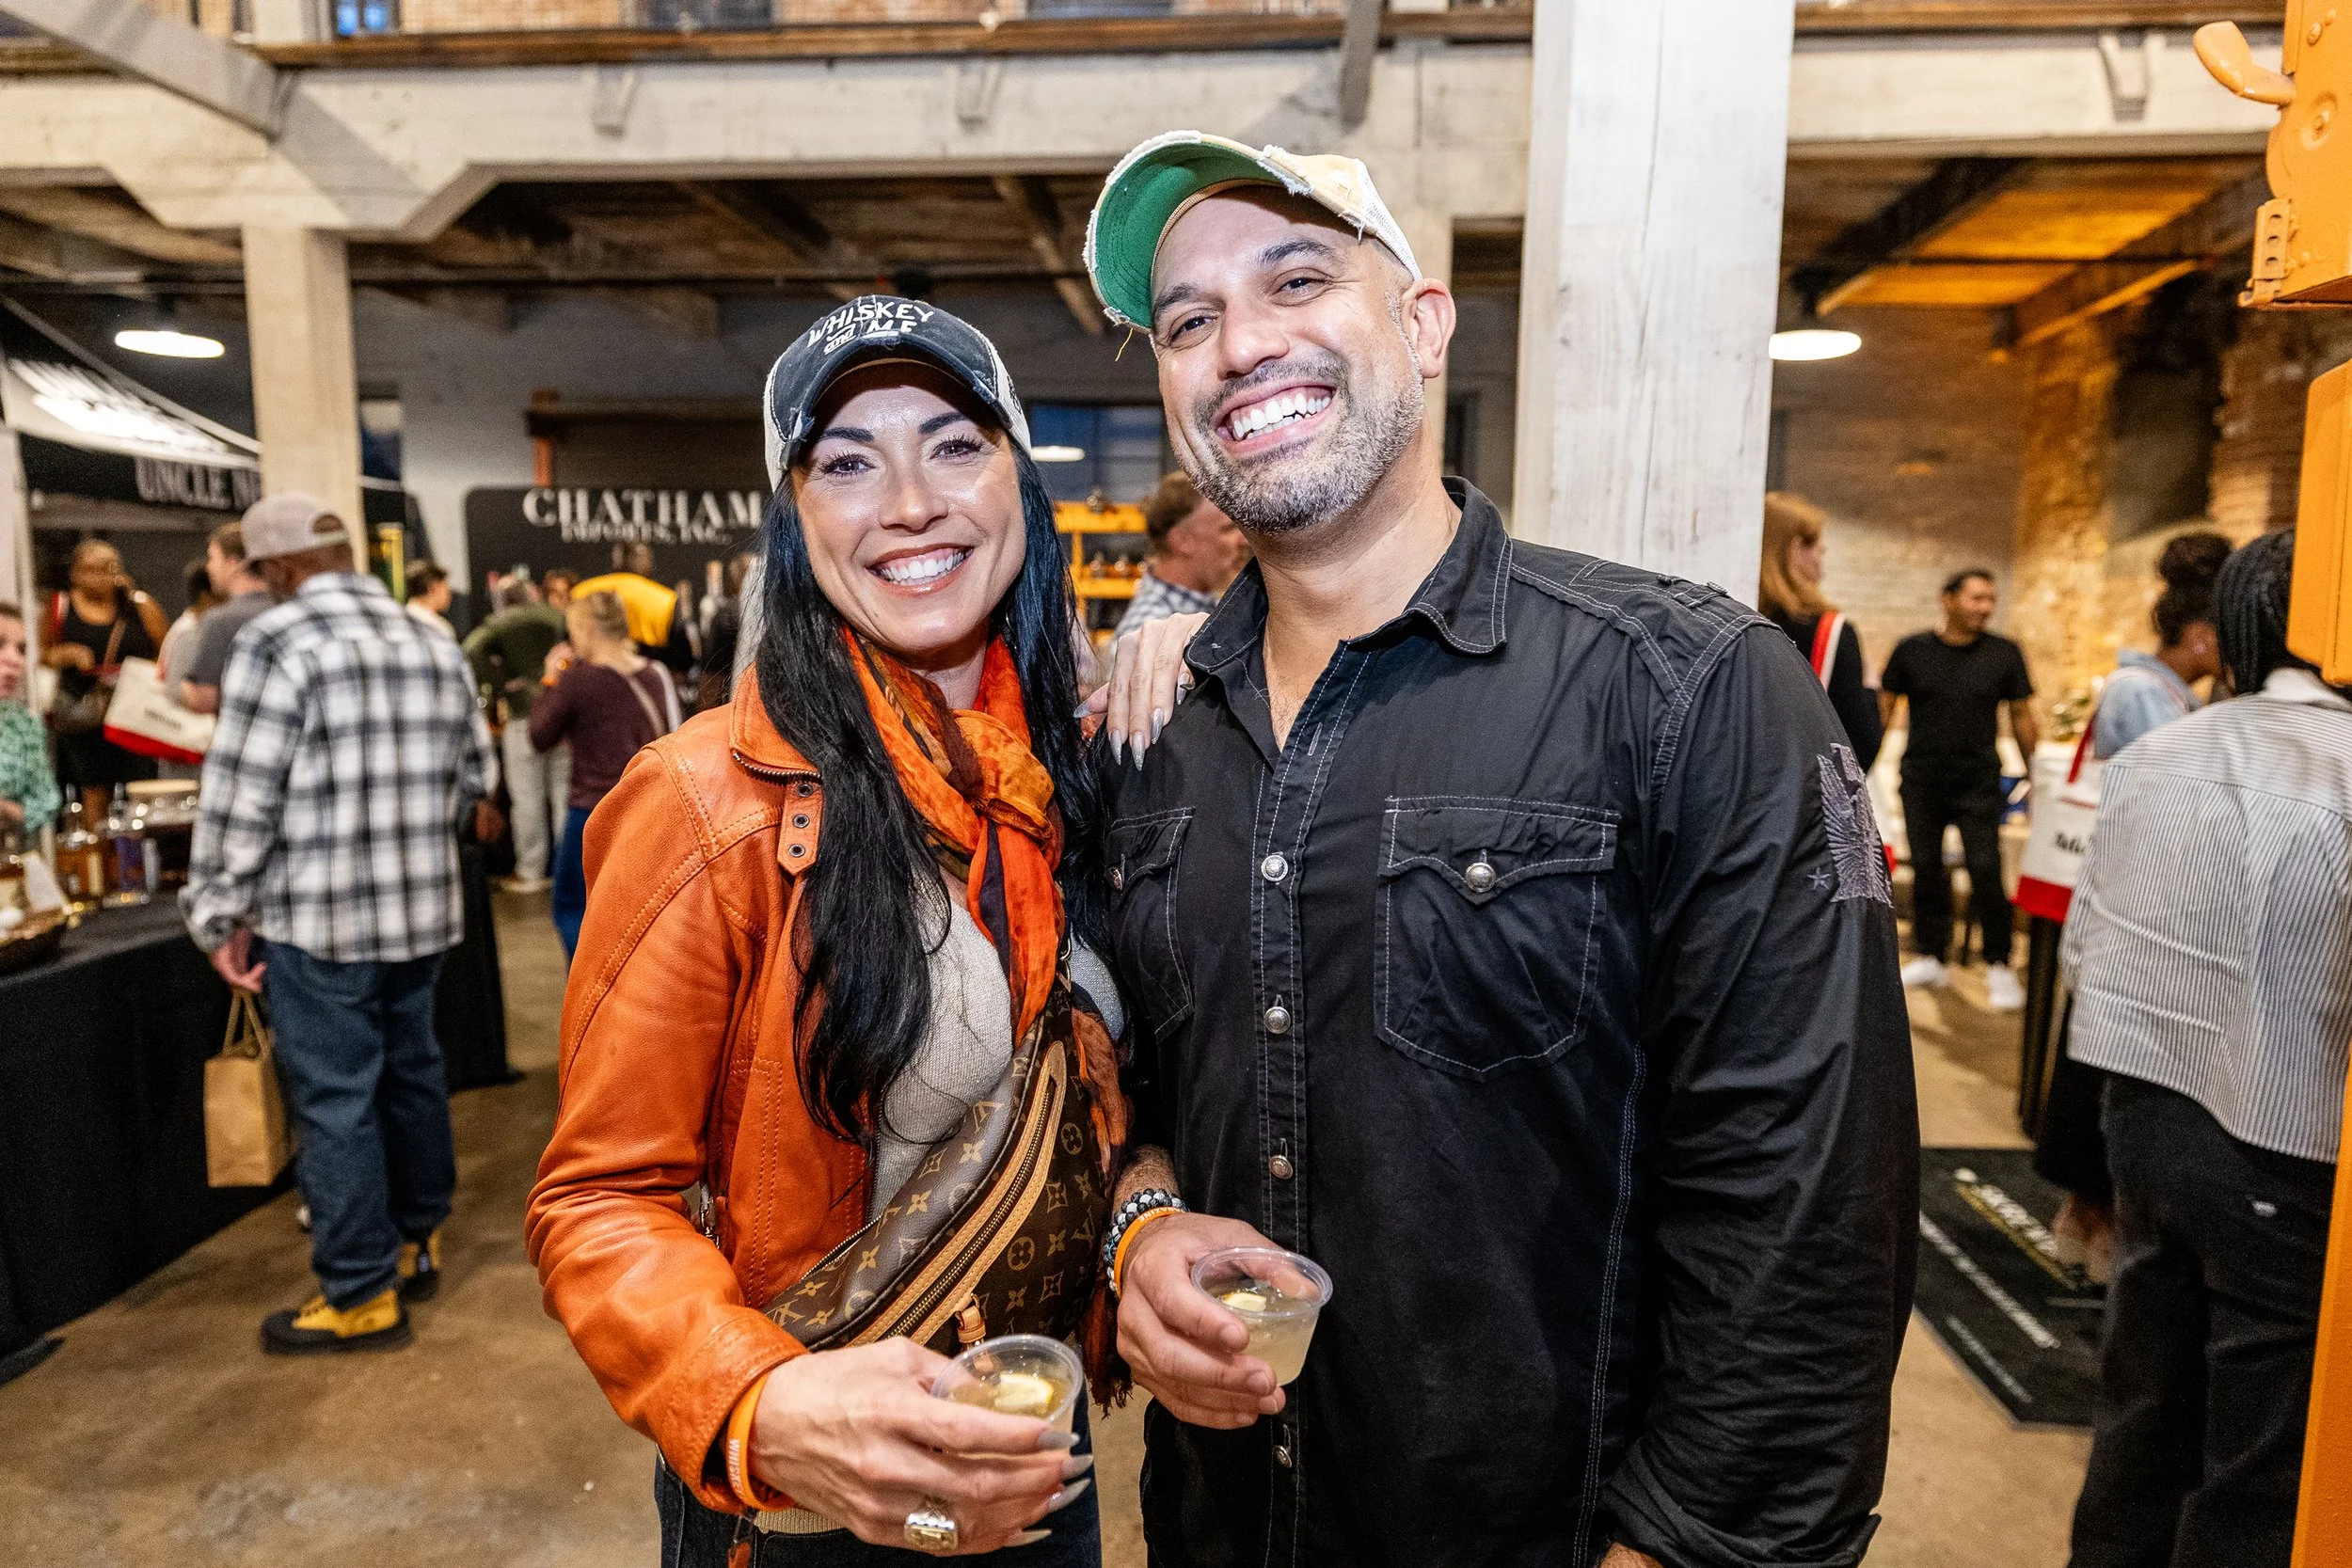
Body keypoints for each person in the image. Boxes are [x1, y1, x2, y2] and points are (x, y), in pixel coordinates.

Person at [1079, 132, 1916, 1568]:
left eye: (1296, 277)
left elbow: (1807, 1224)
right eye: (1190, 320)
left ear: (1423, 319)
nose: (1241, 345)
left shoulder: (1687, 689)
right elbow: (1123, 1091)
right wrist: (1140, 1222)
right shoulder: (1158, 736)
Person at [526, 299, 1129, 1565]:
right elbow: (598, 1199)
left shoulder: (1083, 773)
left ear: (1020, 482)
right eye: (846, 461)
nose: (909, 501)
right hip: (817, 1492)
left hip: (1035, 1449)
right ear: (795, 520)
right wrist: (757, 1397)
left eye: (954, 444)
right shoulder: (706, 804)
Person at [2059, 530, 2352, 1568]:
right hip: (2289, 1149)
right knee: (2258, 1464)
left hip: (2143, 1126)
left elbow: (2081, 951)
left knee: (2140, 1414)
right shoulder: (2346, 771)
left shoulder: (2159, 752)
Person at [181, 491, 498, 1355]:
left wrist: (216, 911)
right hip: (422, 911)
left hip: (318, 918)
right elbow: (478, 773)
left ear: (276, 567)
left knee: (335, 1099)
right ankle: (415, 1238)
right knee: (412, 1076)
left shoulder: (277, 642)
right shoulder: (429, 638)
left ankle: (360, 1291)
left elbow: (243, 797)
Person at [2033, 530, 2232, 1281]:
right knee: (2103, 1061)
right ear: (2201, 632)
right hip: (2134, 892)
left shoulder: (2166, 691)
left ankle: (2087, 1225)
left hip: (2133, 893)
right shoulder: (2147, 693)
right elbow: (2168, 801)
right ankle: (2091, 1226)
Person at [1879, 568, 2039, 1009]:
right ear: (1946, 599)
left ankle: (1999, 962)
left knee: (1986, 870)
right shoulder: (1912, 650)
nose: (1986, 608)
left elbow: (2022, 716)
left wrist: (2035, 773)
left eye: (1991, 599)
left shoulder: (2004, 654)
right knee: (1927, 870)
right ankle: (1932, 954)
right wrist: (1863, 768)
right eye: (1976, 598)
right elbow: (1885, 710)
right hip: (1922, 780)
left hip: (1979, 782)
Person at [527, 590, 682, 959]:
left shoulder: (577, 681)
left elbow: (539, 736)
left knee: (573, 908)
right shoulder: (656, 674)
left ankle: (592, 992)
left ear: (585, 629)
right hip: (647, 812)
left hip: (591, 814)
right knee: (638, 914)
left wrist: (549, 680)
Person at [42, 539, 167, 820]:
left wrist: (138, 671)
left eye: (109, 569)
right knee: (94, 793)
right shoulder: (60, 607)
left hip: (134, 714)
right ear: (75, 573)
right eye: (91, 570)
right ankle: (98, 860)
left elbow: (165, 651)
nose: (101, 577)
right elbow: (42, 654)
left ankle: (137, 858)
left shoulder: (139, 606)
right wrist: (65, 654)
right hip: (84, 716)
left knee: (141, 789)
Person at [1758, 490, 1883, 767]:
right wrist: (1871, 688)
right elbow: (1860, 749)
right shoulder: (1830, 632)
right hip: (1796, 792)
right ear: (1794, 549)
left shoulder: (1725, 617)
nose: (1822, 555)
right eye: (1816, 546)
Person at [464, 578, 571, 894]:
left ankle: (530, 870)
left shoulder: (500, 622)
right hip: (561, 715)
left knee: (527, 799)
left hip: (523, 716)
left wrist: (498, 681)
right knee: (564, 797)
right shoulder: (556, 616)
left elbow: (470, 649)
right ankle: (569, 869)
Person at [1111, 470, 1248, 642]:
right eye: (1228, 529)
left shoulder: (1205, 609)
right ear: (1182, 541)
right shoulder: (1150, 633)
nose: (1244, 541)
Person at [180, 518, 276, 716]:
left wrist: (182, 690)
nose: (208, 567)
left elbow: (203, 699)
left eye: (212, 558)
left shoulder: (222, 621)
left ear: (233, 563)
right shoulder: (291, 608)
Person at [572, 541, 695, 673]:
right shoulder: (665, 599)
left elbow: (568, 643)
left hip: (591, 676)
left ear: (615, 561)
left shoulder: (582, 592)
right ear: (647, 565)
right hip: (647, 676)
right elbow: (683, 657)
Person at [0, 601, 61, 834]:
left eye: (22, 650)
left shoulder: (23, 724)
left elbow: (47, 801)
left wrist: (7, 811)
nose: (15, 660)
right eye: (0, 644)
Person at [157, 557, 220, 688]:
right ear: (205, 596)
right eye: (222, 596)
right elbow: (175, 688)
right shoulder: (189, 632)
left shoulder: (190, 627)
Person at [405, 562, 455, 638]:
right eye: (446, 590)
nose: (449, 596)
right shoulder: (438, 628)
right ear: (435, 587)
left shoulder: (396, 622)